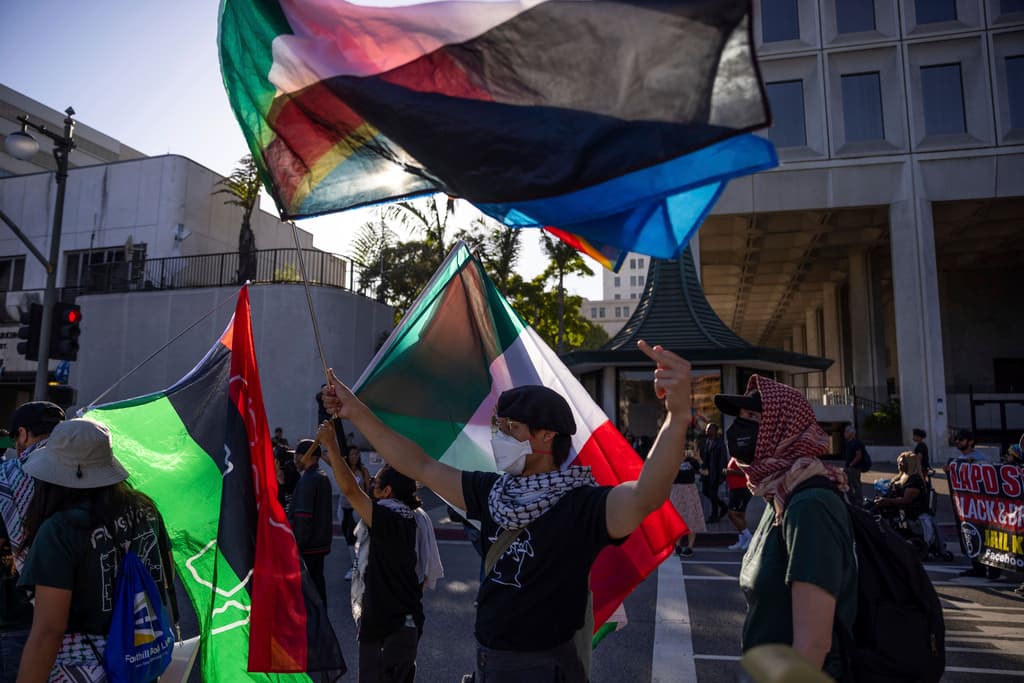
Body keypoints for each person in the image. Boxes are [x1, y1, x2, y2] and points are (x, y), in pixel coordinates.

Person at [322, 340, 691, 682]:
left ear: (546, 436)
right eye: (498, 427)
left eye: (511, 429)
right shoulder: (492, 491)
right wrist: (356, 411)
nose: (498, 438)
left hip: (546, 668)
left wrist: (677, 418)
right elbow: (419, 465)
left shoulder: (582, 505)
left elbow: (646, 495)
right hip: (488, 661)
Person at [16, 419, 175, 683]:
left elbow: (49, 631)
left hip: (84, 670)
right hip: (141, 661)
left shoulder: (60, 530)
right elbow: (165, 578)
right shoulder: (146, 509)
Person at [721, 378, 857, 679]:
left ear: (783, 428)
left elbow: (813, 644)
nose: (740, 430)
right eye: (742, 419)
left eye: (755, 419)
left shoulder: (810, 505)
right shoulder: (779, 493)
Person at [318, 420, 442, 683]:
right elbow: (423, 575)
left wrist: (331, 444)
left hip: (383, 625)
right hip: (408, 621)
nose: (371, 489)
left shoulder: (387, 516)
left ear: (387, 492)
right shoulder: (415, 519)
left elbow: (351, 490)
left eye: (375, 485)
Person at [0, 402, 64, 683]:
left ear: (23, 434)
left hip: (11, 617)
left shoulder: (7, 479)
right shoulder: (88, 480)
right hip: (70, 622)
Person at [946, 429, 1002, 579]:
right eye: (957, 439)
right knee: (971, 535)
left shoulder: (979, 458)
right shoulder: (960, 458)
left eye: (961, 439)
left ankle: (993, 570)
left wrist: (971, 465)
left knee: (985, 537)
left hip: (981, 506)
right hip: (968, 506)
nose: (958, 442)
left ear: (970, 441)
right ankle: (978, 569)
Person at [288, 438, 333, 603]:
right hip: (318, 546)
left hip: (308, 547)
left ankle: (316, 627)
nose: (295, 459)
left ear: (309, 456)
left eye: (298, 455)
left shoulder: (309, 480)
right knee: (317, 588)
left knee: (308, 594)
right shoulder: (321, 477)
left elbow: (303, 517)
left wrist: (296, 547)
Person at [338, 445, 371, 581]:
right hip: (343, 507)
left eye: (357, 454)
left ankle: (356, 567)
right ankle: (356, 565)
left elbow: (368, 489)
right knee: (348, 537)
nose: (355, 456)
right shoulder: (343, 470)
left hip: (356, 509)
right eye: (352, 454)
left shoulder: (363, 471)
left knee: (355, 538)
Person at [669, 449, 705, 557]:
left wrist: (699, 459)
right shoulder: (673, 461)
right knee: (677, 519)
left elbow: (705, 472)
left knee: (691, 518)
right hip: (676, 491)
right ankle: (677, 545)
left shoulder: (691, 461)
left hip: (690, 491)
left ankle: (689, 547)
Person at [872, 451, 927, 519]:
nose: (899, 464)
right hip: (894, 507)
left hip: (906, 513)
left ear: (910, 464)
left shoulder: (914, 480)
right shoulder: (903, 475)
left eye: (902, 462)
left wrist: (887, 501)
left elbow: (905, 500)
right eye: (899, 462)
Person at [700, 424, 728, 523]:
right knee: (706, 492)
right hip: (706, 473)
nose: (707, 431)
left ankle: (714, 516)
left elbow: (723, 461)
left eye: (709, 429)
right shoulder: (706, 442)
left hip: (715, 474)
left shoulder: (720, 444)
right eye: (707, 429)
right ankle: (724, 507)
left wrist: (721, 476)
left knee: (712, 494)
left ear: (715, 431)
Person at [725, 457, 752, 551]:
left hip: (741, 489)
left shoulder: (741, 457)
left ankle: (750, 537)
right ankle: (742, 540)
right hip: (736, 489)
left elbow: (747, 471)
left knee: (731, 514)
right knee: (740, 515)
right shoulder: (734, 457)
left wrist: (731, 472)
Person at [842, 425, 868, 506]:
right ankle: (852, 501)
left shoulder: (856, 443)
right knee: (846, 483)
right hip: (848, 467)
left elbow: (858, 455)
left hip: (854, 468)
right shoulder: (848, 443)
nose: (844, 434)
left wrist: (851, 464)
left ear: (851, 433)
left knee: (856, 484)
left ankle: (859, 502)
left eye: (846, 432)